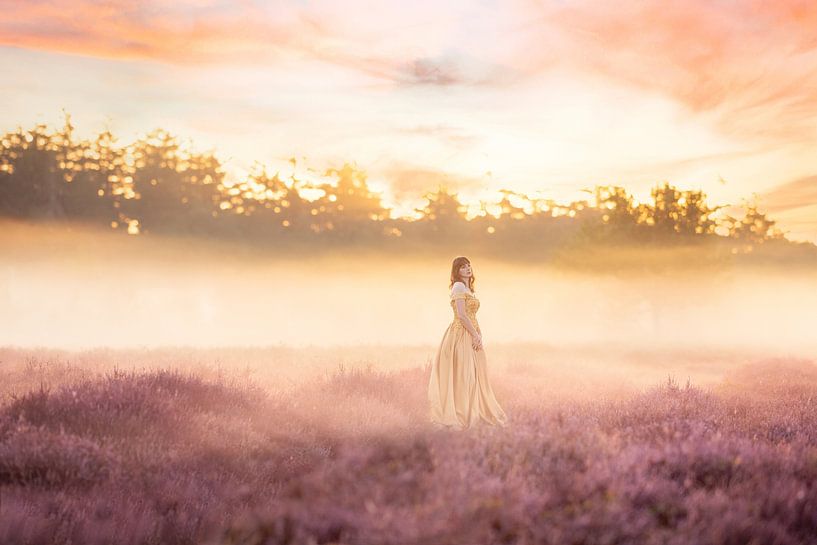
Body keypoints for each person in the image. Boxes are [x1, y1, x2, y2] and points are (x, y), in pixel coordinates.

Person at [427, 256, 508, 430]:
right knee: (465, 375)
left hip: (471, 333)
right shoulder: (458, 286)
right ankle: (461, 414)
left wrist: (479, 334)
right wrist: (474, 334)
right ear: (457, 271)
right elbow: (462, 315)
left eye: (469, 266)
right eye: (463, 267)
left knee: (474, 375)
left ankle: (472, 411)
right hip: (461, 335)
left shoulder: (469, 289)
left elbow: (472, 316)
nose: (467, 269)